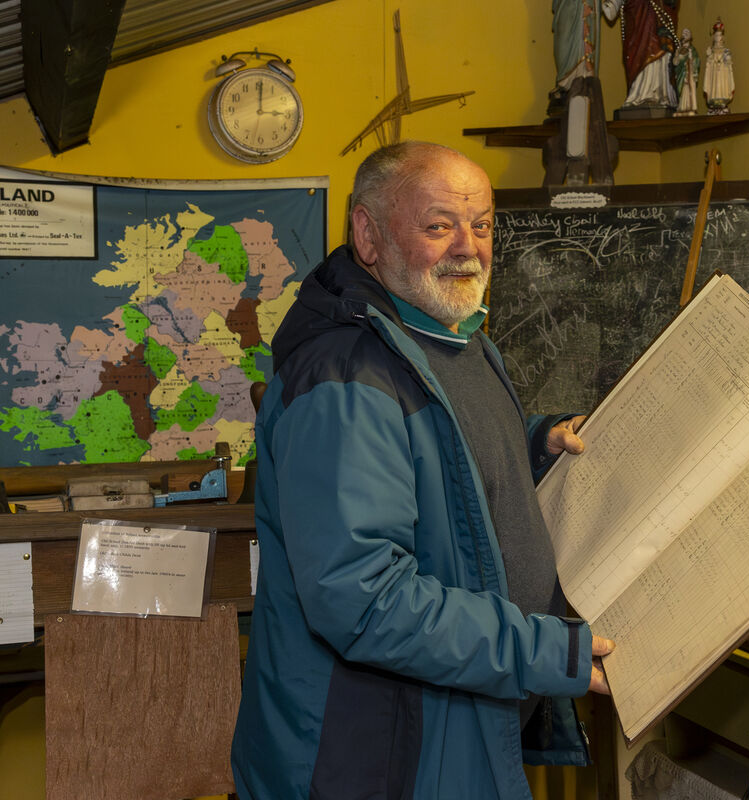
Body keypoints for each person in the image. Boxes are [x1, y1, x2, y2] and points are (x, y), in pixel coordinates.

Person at [231, 141, 614, 799]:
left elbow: (438, 462)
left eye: (483, 225)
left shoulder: (453, 336)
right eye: (439, 226)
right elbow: (365, 598)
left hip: (454, 724)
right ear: (369, 234)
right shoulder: (346, 378)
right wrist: (544, 653)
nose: (468, 248)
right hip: (375, 757)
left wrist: (534, 445)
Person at [603, 0, 680, 110]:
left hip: (658, 14)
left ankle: (658, 93)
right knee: (638, 50)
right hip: (637, 15)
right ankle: (639, 93)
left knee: (658, 47)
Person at [703, 17, 735, 114]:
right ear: (714, 37)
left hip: (723, 74)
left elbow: (729, 64)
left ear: (722, 37)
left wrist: (727, 59)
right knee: (714, 87)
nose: (718, 37)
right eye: (716, 35)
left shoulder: (726, 50)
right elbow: (708, 65)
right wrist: (709, 57)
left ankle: (722, 102)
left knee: (722, 87)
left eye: (720, 35)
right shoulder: (711, 50)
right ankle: (713, 102)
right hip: (714, 75)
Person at [671, 27, 699, 116]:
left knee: (688, 89)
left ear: (690, 37)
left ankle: (689, 106)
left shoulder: (692, 50)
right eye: (683, 34)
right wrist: (676, 57)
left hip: (688, 73)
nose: (684, 35)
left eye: (686, 34)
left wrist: (690, 58)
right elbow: (675, 63)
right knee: (680, 90)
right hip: (680, 74)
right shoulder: (679, 50)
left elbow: (696, 60)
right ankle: (681, 107)